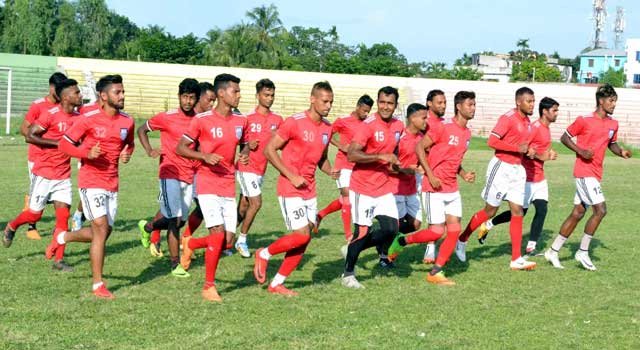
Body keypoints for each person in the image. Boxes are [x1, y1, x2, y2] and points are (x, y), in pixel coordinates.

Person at [45, 74, 135, 299]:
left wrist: (127, 153)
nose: (122, 95)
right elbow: (65, 145)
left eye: (123, 91)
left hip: (112, 183)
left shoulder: (127, 121)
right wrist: (86, 153)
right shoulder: (88, 118)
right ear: (103, 96)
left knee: (103, 233)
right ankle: (98, 285)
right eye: (118, 92)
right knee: (101, 228)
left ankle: (62, 238)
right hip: (90, 181)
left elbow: (130, 144)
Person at [253, 81, 334, 296]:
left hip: (310, 189)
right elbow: (270, 150)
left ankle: (276, 283)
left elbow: (322, 159)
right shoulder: (294, 122)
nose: (328, 106)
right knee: (301, 235)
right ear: (312, 99)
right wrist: (291, 175)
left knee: (305, 239)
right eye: (325, 101)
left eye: (331, 102)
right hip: (290, 187)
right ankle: (264, 253)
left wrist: (332, 172)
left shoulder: (328, 127)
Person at [388, 91, 477, 285]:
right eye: (469, 105)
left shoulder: (467, 134)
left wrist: (464, 174)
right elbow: (419, 147)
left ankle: (436, 271)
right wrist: (430, 174)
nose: (473, 108)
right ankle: (403, 241)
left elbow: (454, 160)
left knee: (454, 230)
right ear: (459, 107)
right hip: (434, 188)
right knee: (437, 232)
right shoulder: (443, 127)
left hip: (452, 189)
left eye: (474, 105)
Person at [177, 74, 249, 302]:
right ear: (221, 93)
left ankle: (191, 244)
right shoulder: (202, 120)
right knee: (217, 236)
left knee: (227, 240)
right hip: (207, 182)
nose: (238, 95)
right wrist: (204, 156)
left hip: (228, 183)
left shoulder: (241, 121)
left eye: (238, 91)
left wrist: (244, 155)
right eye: (235, 91)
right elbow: (181, 148)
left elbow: (245, 145)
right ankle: (209, 286)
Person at [545, 84, 632, 270]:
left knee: (578, 213)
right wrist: (581, 151)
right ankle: (582, 252)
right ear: (601, 101)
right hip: (584, 172)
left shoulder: (612, 124)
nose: (614, 104)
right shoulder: (583, 120)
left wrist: (621, 152)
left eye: (615, 101)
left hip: (596, 173)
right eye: (611, 100)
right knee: (600, 210)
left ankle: (553, 251)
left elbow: (612, 144)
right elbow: (564, 137)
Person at [4, 79, 82, 274]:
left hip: (63, 176)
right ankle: (12, 226)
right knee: (35, 214)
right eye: (77, 93)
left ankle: (59, 260)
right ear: (66, 97)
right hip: (44, 173)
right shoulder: (50, 115)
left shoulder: (80, 116)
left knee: (63, 219)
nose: (80, 95)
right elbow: (29, 135)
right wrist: (58, 143)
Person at [455, 87, 537, 270]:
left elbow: (523, 146)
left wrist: (529, 151)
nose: (532, 105)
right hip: (501, 168)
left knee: (518, 211)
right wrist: (518, 149)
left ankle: (516, 259)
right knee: (490, 211)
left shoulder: (529, 122)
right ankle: (462, 239)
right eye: (529, 101)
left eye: (533, 101)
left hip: (518, 170)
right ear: (518, 102)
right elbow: (492, 141)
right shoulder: (507, 118)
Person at [477, 97, 560, 256]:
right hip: (526, 178)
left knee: (542, 209)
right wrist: (543, 156)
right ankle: (489, 223)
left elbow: (536, 151)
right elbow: (526, 149)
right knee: (521, 212)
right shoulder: (533, 127)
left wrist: (546, 155)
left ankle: (531, 247)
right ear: (545, 111)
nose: (557, 114)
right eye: (554, 110)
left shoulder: (547, 129)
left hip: (540, 178)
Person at [340, 86, 405, 289]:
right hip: (363, 187)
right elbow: (352, 154)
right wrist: (379, 157)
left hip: (383, 187)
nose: (386, 107)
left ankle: (352, 248)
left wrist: (397, 164)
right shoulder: (367, 126)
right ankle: (348, 274)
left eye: (390, 103)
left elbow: (393, 151)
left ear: (395, 105)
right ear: (378, 103)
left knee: (392, 229)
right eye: (382, 102)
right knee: (362, 233)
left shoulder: (398, 126)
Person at [136, 78, 200, 275]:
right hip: (169, 171)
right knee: (174, 220)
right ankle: (175, 265)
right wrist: (149, 150)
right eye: (185, 97)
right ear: (179, 97)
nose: (188, 101)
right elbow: (142, 129)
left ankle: (148, 227)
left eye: (192, 98)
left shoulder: (199, 119)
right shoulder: (167, 117)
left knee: (179, 220)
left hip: (190, 174)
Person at [235, 79, 283, 258]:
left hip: (260, 170)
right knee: (256, 203)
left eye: (272, 95)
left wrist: (276, 139)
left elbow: (283, 145)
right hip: (246, 167)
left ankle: (227, 238)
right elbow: (239, 144)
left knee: (243, 207)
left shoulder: (277, 120)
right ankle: (242, 240)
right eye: (266, 95)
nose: (270, 98)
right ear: (257, 96)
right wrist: (248, 147)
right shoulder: (247, 119)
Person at [17, 72, 68, 240]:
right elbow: (24, 129)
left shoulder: (64, 107)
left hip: (58, 160)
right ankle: (31, 227)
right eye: (59, 88)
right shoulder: (38, 105)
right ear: (51, 87)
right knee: (39, 196)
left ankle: (60, 229)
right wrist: (43, 142)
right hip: (37, 158)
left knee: (56, 197)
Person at [316, 94, 373, 241]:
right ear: (358, 107)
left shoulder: (368, 124)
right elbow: (328, 134)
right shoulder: (343, 121)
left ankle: (320, 215)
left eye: (368, 111)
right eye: (364, 110)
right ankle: (349, 235)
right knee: (347, 195)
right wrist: (341, 146)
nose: (366, 114)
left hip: (358, 166)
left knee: (344, 199)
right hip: (343, 164)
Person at [422, 89, 447, 263]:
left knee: (438, 216)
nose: (443, 105)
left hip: (435, 174)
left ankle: (430, 249)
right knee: (411, 220)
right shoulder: (423, 120)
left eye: (444, 102)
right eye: (439, 102)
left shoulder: (444, 124)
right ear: (429, 103)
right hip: (419, 173)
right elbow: (417, 145)